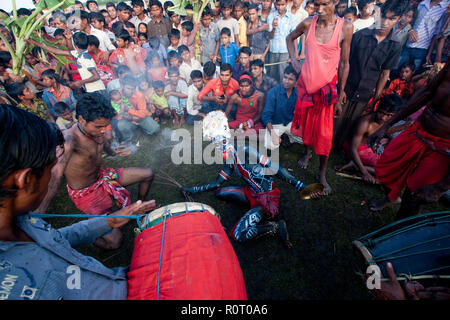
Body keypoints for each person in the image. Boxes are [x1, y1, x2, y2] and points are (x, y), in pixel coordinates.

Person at [0, 104, 157, 299]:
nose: (50, 178)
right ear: (26, 180)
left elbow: (57, 238)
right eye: (47, 171)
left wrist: (109, 221)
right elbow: (58, 175)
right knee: (115, 242)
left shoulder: (24, 222)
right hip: (87, 193)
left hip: (103, 181)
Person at [35, 92, 155, 250]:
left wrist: (113, 153)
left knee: (148, 174)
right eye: (99, 127)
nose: (104, 130)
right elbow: (55, 177)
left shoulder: (98, 130)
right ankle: (90, 235)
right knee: (115, 242)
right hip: (87, 193)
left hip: (104, 177)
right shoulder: (69, 140)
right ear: (82, 119)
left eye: (106, 125)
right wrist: (37, 216)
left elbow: (103, 144)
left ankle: (137, 209)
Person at [181, 111, 309, 248]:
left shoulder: (246, 151)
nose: (219, 149)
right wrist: (192, 190)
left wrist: (300, 186)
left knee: (238, 234)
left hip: (266, 198)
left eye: (220, 144)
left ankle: (274, 227)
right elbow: (216, 183)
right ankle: (253, 207)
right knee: (219, 193)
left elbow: (276, 169)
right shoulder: (230, 162)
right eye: (216, 146)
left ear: (226, 140)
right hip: (251, 192)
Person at [286, 0, 354, 196]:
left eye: (325, 4)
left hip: (326, 92)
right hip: (306, 88)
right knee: (307, 125)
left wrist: (340, 94)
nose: (320, 9)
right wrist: (294, 61)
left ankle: (322, 173)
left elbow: (344, 64)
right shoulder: (308, 23)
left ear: (335, 2)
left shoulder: (346, 27)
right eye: (316, 4)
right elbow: (290, 38)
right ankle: (307, 153)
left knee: (325, 135)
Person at [367, 61, 450, 220]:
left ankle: (396, 233)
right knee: (385, 167)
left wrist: (441, 187)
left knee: (413, 197)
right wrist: (386, 126)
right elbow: (428, 91)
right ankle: (391, 197)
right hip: (419, 131)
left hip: (442, 149)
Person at [334, 0, 407, 151]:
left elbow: (385, 72)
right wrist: (341, 89)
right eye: (384, 17)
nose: (386, 22)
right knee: (336, 121)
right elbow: (344, 62)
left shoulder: (395, 45)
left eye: (392, 19)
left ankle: (341, 150)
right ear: (378, 15)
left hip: (366, 91)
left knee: (353, 123)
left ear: (399, 19)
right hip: (348, 86)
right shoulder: (360, 35)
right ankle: (327, 148)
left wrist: (376, 98)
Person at [336, 94, 402, 184]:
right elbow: (353, 148)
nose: (383, 117)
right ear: (378, 107)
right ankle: (358, 166)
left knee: (396, 166)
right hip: (356, 150)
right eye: (382, 112)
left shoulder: (386, 121)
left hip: (368, 148)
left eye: (389, 115)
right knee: (390, 171)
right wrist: (365, 173)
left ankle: (355, 165)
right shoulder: (365, 123)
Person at [28, 32, 106, 94]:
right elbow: (56, 51)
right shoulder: (78, 53)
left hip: (97, 90)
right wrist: (35, 43)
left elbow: (96, 76)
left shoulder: (85, 58)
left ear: (74, 44)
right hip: (91, 90)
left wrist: (80, 82)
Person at [397, 0, 449, 72]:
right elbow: (412, 20)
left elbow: (436, 34)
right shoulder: (423, 3)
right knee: (397, 70)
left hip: (422, 49)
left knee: (413, 74)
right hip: (408, 45)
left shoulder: (444, 8)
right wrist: (410, 30)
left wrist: (429, 54)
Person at [261, 66, 303, 150]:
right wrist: (273, 135)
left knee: (305, 139)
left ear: (296, 82)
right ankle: (283, 137)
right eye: (285, 77)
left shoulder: (297, 93)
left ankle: (287, 137)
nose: (286, 81)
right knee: (270, 144)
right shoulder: (272, 93)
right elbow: (266, 116)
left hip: (290, 123)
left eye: (290, 79)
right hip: (276, 123)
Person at [116, 75, 160, 142]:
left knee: (156, 129)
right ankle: (129, 139)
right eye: (128, 88)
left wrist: (128, 110)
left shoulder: (139, 95)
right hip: (127, 119)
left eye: (133, 89)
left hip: (141, 118)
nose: (130, 91)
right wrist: (130, 117)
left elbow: (142, 114)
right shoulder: (117, 96)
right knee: (121, 125)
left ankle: (142, 130)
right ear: (122, 86)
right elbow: (119, 115)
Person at [267, 0, 297, 82]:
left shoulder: (292, 17)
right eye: (278, 5)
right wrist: (273, 27)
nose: (280, 7)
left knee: (283, 74)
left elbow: (294, 37)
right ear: (275, 4)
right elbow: (270, 36)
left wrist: (294, 55)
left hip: (286, 51)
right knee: (272, 75)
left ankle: (282, 93)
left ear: (286, 4)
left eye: (282, 5)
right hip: (274, 50)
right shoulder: (271, 16)